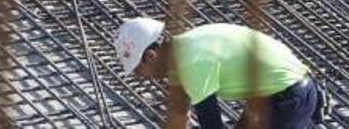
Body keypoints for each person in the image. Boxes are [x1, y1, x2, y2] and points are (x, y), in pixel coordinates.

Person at [115, 17, 324, 128]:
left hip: (289, 98)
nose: (140, 77)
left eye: (137, 70)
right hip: (273, 97)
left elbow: (211, 122)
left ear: (150, 56)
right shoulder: (181, 55)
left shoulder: (191, 61)